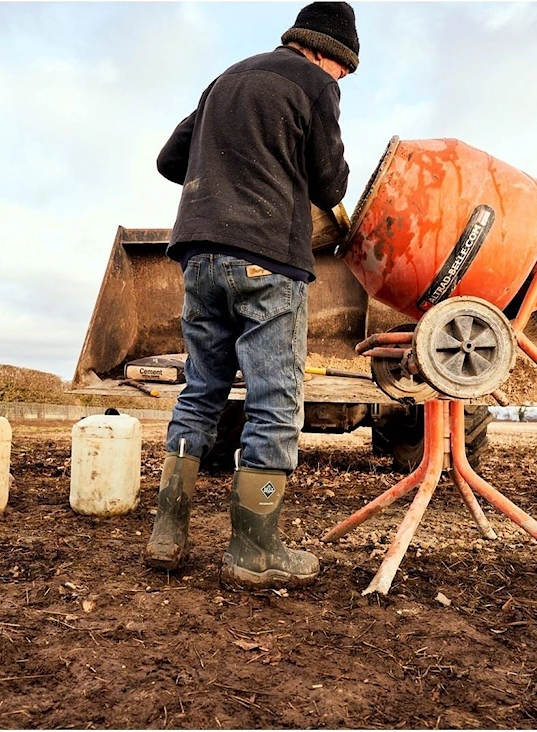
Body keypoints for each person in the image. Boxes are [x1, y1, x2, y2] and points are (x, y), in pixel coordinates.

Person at [144, 2, 359, 588]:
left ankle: (168, 534)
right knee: (274, 397)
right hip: (266, 257)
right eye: (344, 69)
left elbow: (169, 160)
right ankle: (254, 550)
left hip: (196, 254)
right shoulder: (314, 84)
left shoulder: (227, 77)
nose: (341, 81)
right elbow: (329, 182)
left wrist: (225, 166)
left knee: (201, 390)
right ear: (325, 53)